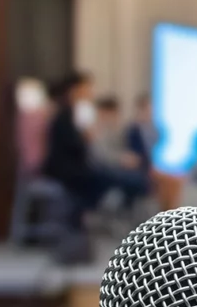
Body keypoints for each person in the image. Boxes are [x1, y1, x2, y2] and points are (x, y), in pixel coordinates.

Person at [43, 72, 148, 224]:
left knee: (129, 178)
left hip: (80, 165)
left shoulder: (75, 113)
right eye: (87, 88)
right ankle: (81, 218)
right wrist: (87, 138)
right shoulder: (65, 114)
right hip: (68, 169)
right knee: (117, 178)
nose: (91, 92)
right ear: (75, 90)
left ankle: (89, 216)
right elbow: (74, 146)